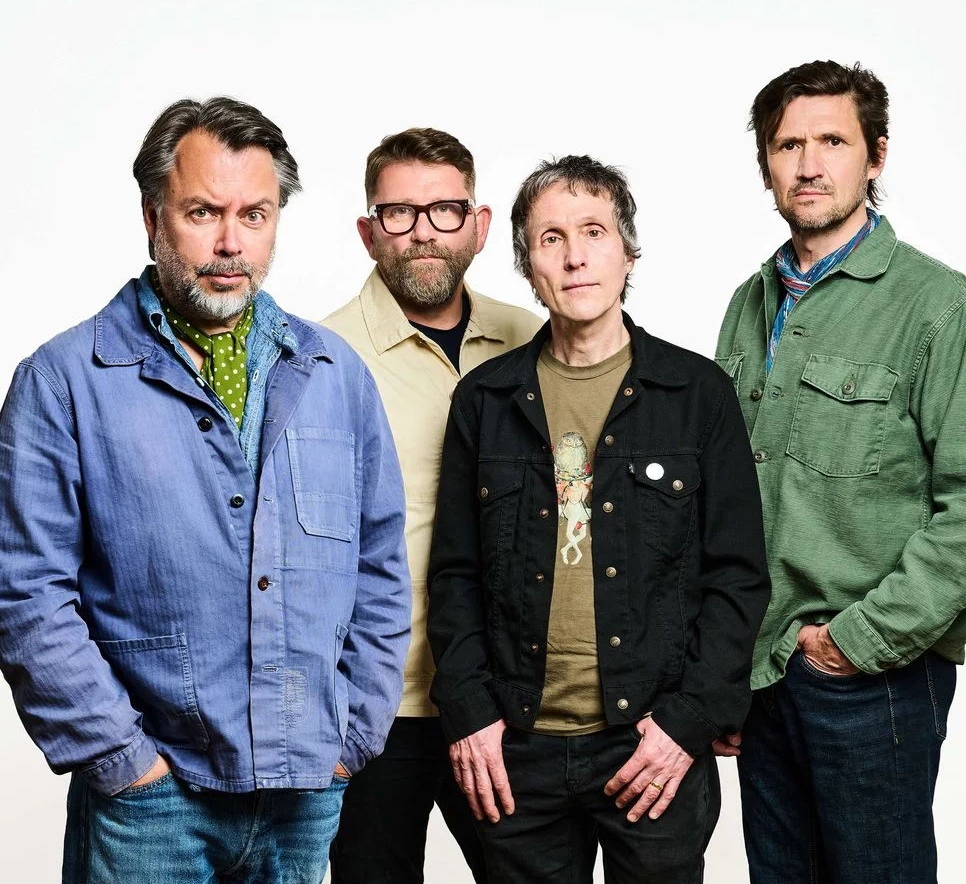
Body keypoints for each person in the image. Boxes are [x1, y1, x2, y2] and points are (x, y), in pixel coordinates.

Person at [0, 97, 411, 884]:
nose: (231, 242)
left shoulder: (335, 376)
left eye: (254, 215)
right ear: (152, 217)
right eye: (203, 212)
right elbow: (26, 594)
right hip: (152, 807)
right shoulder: (63, 381)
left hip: (305, 795)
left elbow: (381, 570)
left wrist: (350, 740)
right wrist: (125, 762)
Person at [715, 60, 966, 883]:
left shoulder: (936, 306)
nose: (808, 164)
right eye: (788, 145)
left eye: (832, 141)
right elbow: (724, 497)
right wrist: (725, 665)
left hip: (870, 676)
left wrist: (858, 642)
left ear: (876, 155)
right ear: (766, 164)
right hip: (763, 673)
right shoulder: (749, 305)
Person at [427, 155, 770, 883]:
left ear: (628, 254)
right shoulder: (484, 401)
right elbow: (454, 575)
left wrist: (687, 723)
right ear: (528, 265)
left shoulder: (697, 394)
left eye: (593, 231)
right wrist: (469, 712)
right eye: (551, 238)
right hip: (516, 749)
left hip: (651, 746)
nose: (575, 256)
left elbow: (738, 578)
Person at [323, 127, 539, 883]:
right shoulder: (319, 358)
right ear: (368, 231)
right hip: (375, 706)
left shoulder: (533, 340)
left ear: (478, 226)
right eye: (399, 213)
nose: (423, 232)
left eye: (445, 210)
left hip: (510, 698)